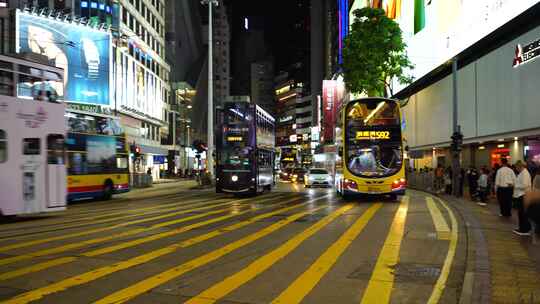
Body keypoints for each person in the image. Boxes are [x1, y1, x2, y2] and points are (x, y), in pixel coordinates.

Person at [512, 161, 532, 235]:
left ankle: (524, 230)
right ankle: (523, 228)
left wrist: (515, 185)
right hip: (522, 195)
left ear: (519, 166)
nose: (516, 169)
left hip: (523, 195)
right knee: (522, 213)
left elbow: (524, 185)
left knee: (523, 213)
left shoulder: (525, 173)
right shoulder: (523, 173)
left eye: (516, 167)